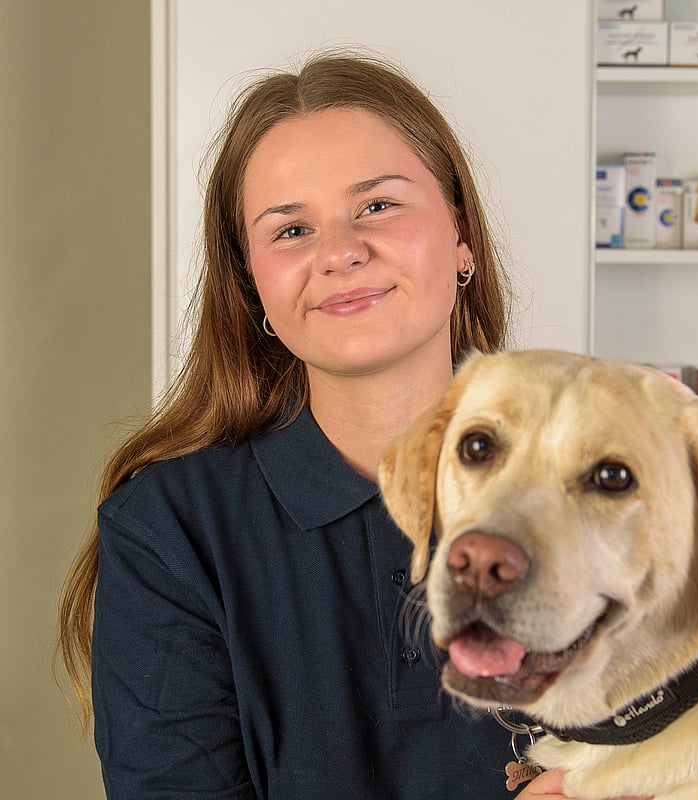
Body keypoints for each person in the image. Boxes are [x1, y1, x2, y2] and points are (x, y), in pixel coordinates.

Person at [57, 50, 648, 800]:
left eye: (377, 206)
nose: (340, 252)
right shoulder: (170, 531)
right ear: (253, 288)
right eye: (291, 230)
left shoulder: (612, 488)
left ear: (462, 236)